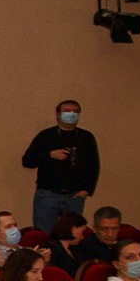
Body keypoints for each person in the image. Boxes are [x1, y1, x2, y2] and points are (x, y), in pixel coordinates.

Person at [22, 99, 100, 234]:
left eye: (75, 111)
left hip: (75, 196)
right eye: (67, 111)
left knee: (72, 234)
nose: (72, 114)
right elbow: (27, 161)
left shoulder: (86, 137)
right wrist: (49, 155)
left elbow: (94, 165)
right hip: (48, 194)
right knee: (44, 233)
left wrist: (87, 189)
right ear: (58, 114)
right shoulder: (46, 136)